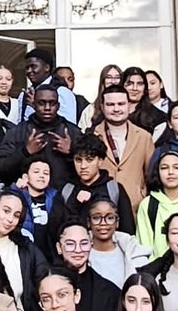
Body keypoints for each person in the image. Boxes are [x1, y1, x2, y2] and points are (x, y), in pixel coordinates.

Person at [45, 136, 136, 244]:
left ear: (100, 161)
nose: (83, 166)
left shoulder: (114, 189)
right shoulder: (67, 190)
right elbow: (55, 232)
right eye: (78, 160)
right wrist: (76, 204)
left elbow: (128, 232)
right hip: (73, 255)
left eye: (89, 160)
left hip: (108, 255)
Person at [0, 83, 81, 189]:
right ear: (33, 104)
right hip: (26, 198)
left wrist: (71, 152)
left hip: (64, 198)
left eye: (52, 103)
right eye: (42, 103)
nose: (47, 108)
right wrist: (25, 152)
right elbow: (1, 170)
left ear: (58, 106)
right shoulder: (17, 132)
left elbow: (89, 171)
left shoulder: (72, 132)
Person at [90, 84, 155, 212]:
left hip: (135, 208)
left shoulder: (144, 137)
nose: (116, 109)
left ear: (129, 106)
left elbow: (151, 175)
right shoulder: (92, 135)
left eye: (121, 104)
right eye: (110, 104)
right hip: (101, 209)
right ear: (102, 107)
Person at [55, 220, 121, 311]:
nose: (78, 250)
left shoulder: (110, 291)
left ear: (91, 245)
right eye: (70, 244)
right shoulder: (45, 287)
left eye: (84, 243)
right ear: (59, 248)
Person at [137, 150, 178, 261]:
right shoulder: (148, 204)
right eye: (164, 168)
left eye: (176, 167)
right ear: (157, 172)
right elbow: (144, 247)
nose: (171, 172)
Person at [86, 198, 151, 288]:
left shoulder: (132, 253)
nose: (103, 223)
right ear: (89, 222)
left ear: (117, 222)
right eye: (96, 218)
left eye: (110, 218)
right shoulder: (80, 254)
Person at [17, 47, 84, 124]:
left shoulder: (62, 92)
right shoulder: (24, 95)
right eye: (27, 68)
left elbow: (69, 126)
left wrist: (36, 106)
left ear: (46, 67)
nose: (29, 71)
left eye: (33, 66)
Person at [12, 157, 60, 258]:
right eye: (36, 172)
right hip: (22, 254)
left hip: (49, 256)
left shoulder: (56, 197)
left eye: (46, 173)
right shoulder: (16, 195)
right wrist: (15, 190)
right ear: (26, 176)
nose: (41, 176)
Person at [122, 66, 168, 137]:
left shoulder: (159, 117)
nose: (135, 88)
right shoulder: (111, 112)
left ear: (145, 88)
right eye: (130, 84)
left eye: (139, 84)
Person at [77, 63, 122, 132]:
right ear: (103, 81)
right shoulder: (91, 109)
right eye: (109, 77)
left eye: (117, 78)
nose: (113, 81)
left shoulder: (128, 106)